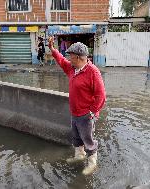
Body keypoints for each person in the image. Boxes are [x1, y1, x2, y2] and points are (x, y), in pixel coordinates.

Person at [48, 36, 106, 175]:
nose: (69, 59)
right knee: (77, 137)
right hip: (75, 113)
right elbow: (62, 61)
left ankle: (92, 163)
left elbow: (101, 95)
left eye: (71, 56)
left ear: (79, 57)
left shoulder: (93, 72)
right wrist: (52, 49)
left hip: (86, 115)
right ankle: (79, 156)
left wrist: (92, 112)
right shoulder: (73, 69)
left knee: (88, 140)